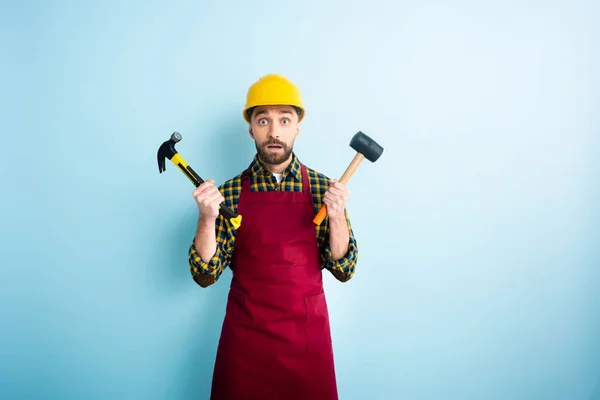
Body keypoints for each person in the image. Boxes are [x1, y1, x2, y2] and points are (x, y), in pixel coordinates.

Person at [188, 73, 359, 400]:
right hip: (245, 343)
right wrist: (207, 217)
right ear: (251, 128)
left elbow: (343, 269)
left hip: (307, 343)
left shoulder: (324, 190)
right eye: (263, 120)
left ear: (298, 127)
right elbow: (205, 274)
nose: (274, 131)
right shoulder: (230, 193)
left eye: (284, 119)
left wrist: (336, 218)